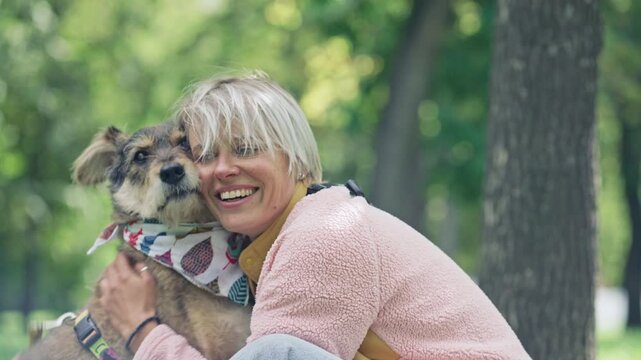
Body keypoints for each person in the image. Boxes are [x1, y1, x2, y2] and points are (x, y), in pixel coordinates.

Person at [98, 72, 531, 360]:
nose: (224, 169)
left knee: (277, 351)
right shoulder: (279, 240)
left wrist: (142, 332)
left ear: (296, 159)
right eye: (207, 155)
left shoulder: (323, 235)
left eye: (247, 148)